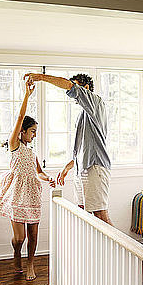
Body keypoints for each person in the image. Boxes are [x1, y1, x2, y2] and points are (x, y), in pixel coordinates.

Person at [0, 78, 56, 281]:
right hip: (17, 193)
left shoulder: (31, 152)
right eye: (32, 131)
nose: (34, 135)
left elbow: (39, 172)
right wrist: (27, 95)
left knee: (33, 235)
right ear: (23, 131)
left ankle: (30, 263)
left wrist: (48, 178)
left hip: (32, 194)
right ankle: (17, 252)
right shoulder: (14, 145)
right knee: (20, 238)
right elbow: (19, 116)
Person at [24, 72, 113, 225]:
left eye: (77, 86)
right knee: (83, 213)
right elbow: (85, 149)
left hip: (95, 168)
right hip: (83, 169)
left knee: (100, 215)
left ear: (85, 88)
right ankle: (91, 249)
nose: (72, 94)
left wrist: (41, 77)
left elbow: (70, 86)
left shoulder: (95, 103)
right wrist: (67, 168)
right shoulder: (84, 114)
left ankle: (118, 249)